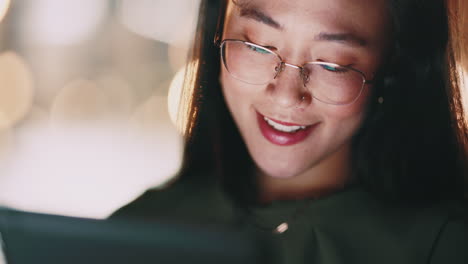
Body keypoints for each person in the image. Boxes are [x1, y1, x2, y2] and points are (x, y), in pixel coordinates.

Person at [111, 0, 468, 263]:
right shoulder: (134, 234)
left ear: (393, 69)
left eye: (333, 64)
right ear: (216, 35)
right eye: (255, 45)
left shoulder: (445, 245)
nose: (285, 97)